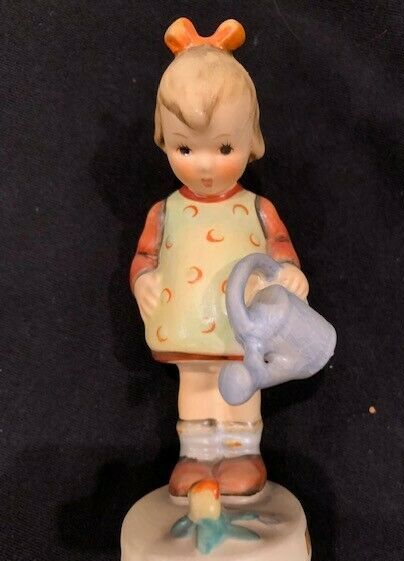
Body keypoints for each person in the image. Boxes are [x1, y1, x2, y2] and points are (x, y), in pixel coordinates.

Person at [130, 18, 309, 496]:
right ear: (164, 140)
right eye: (186, 148)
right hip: (188, 322)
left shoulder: (257, 208)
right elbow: (146, 255)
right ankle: (196, 456)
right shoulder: (165, 211)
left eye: (224, 147)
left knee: (242, 383)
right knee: (194, 386)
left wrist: (289, 275)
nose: (206, 164)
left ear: (252, 142)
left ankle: (241, 452)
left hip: (242, 322)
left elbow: (280, 248)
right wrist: (143, 280)